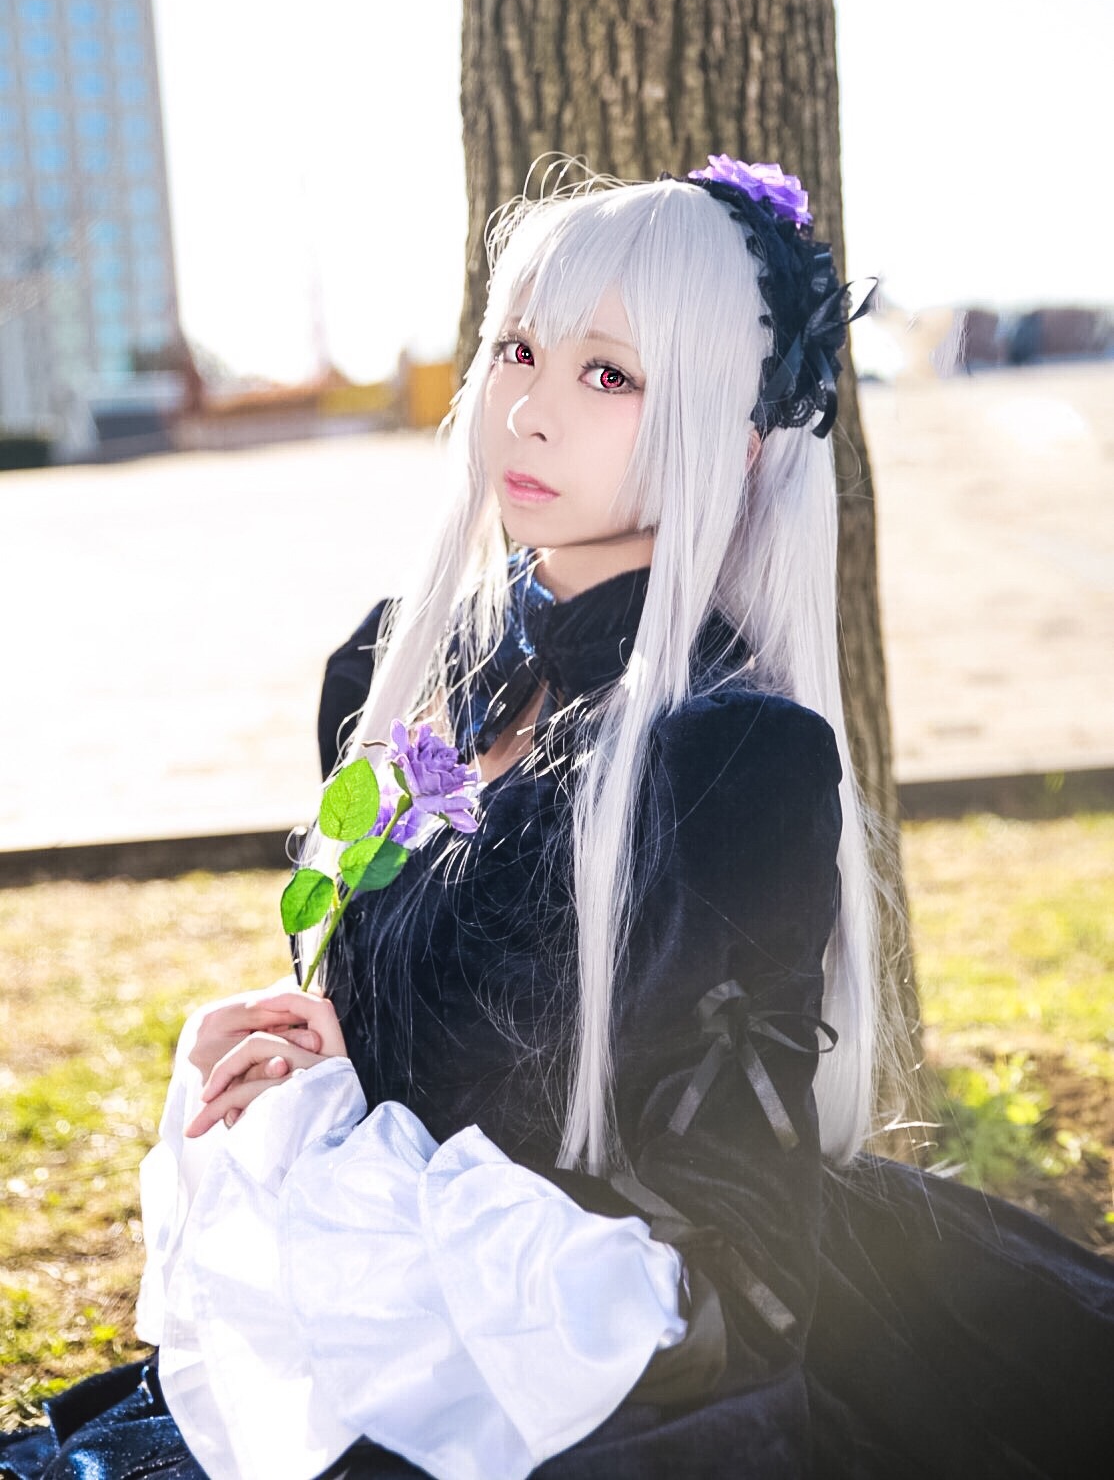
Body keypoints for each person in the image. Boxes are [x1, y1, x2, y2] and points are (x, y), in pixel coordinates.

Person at [2, 158, 1111, 1480]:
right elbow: (431, 995)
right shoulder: (396, 676)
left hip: (593, 1361)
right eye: (517, 349)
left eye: (607, 375)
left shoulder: (732, 760)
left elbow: (712, 1210)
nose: (526, 411)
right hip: (400, 1305)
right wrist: (331, 1043)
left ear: (735, 434)